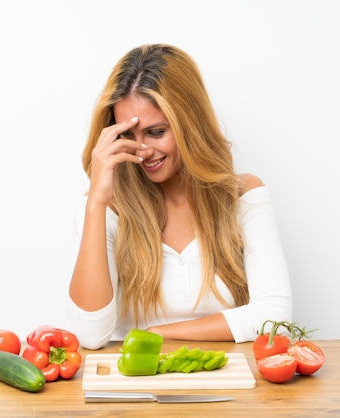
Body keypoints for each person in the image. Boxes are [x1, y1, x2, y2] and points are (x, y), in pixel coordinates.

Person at [67, 44, 292, 350]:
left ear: (190, 123)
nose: (143, 151)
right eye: (128, 136)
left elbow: (276, 318)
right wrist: (95, 203)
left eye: (156, 132)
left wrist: (158, 333)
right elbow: (91, 337)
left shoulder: (243, 197)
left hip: (226, 380)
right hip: (135, 382)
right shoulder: (107, 208)